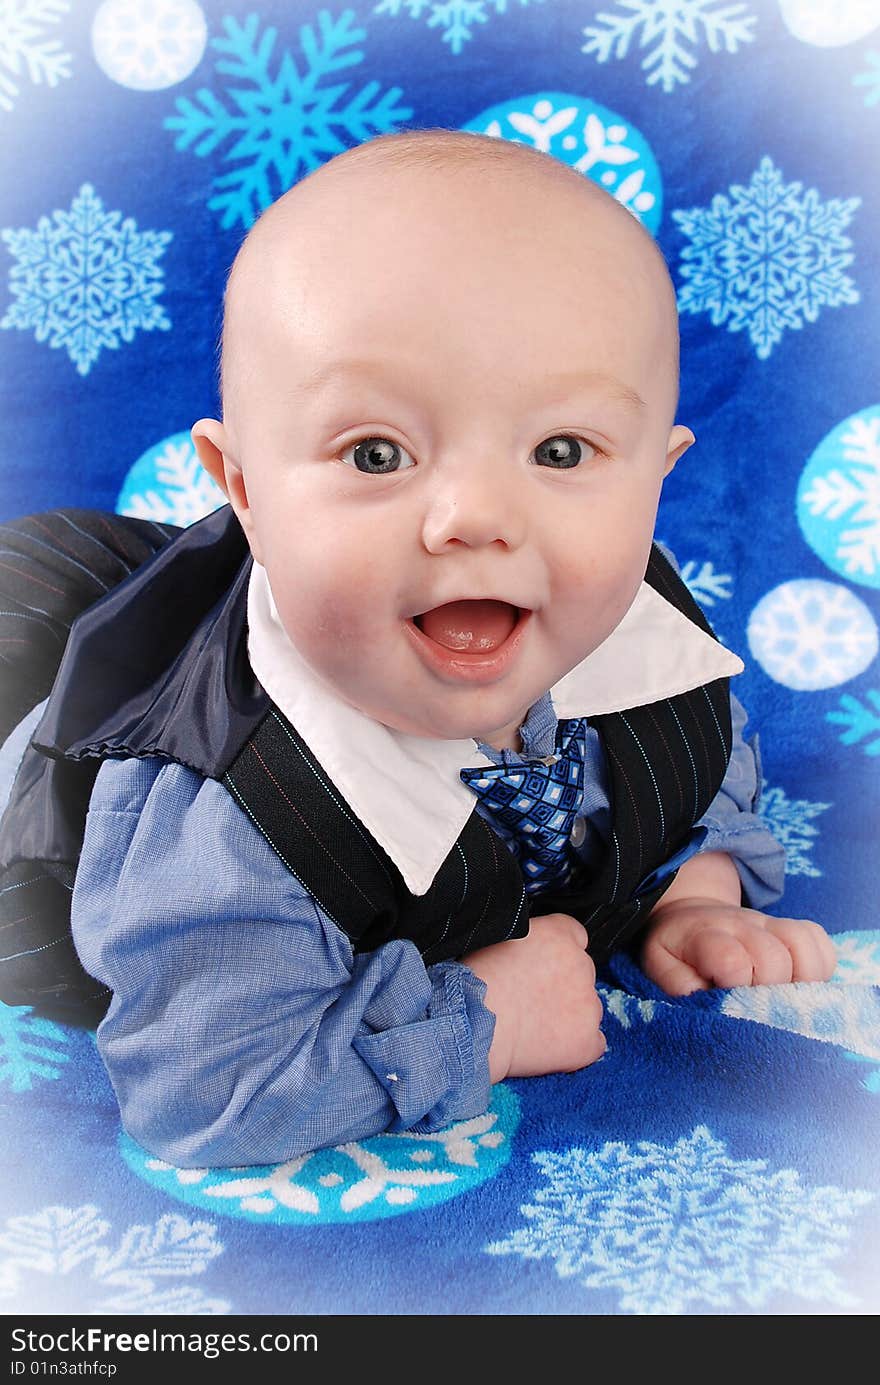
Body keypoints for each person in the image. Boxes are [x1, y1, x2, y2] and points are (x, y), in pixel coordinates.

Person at [30, 129, 834, 1167]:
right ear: (243, 489)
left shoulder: (635, 633)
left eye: (560, 450)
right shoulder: (225, 806)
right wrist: (484, 1017)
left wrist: (690, 893)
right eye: (377, 453)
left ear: (652, 478)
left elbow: (705, 764)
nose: (475, 517)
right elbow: (206, 1089)